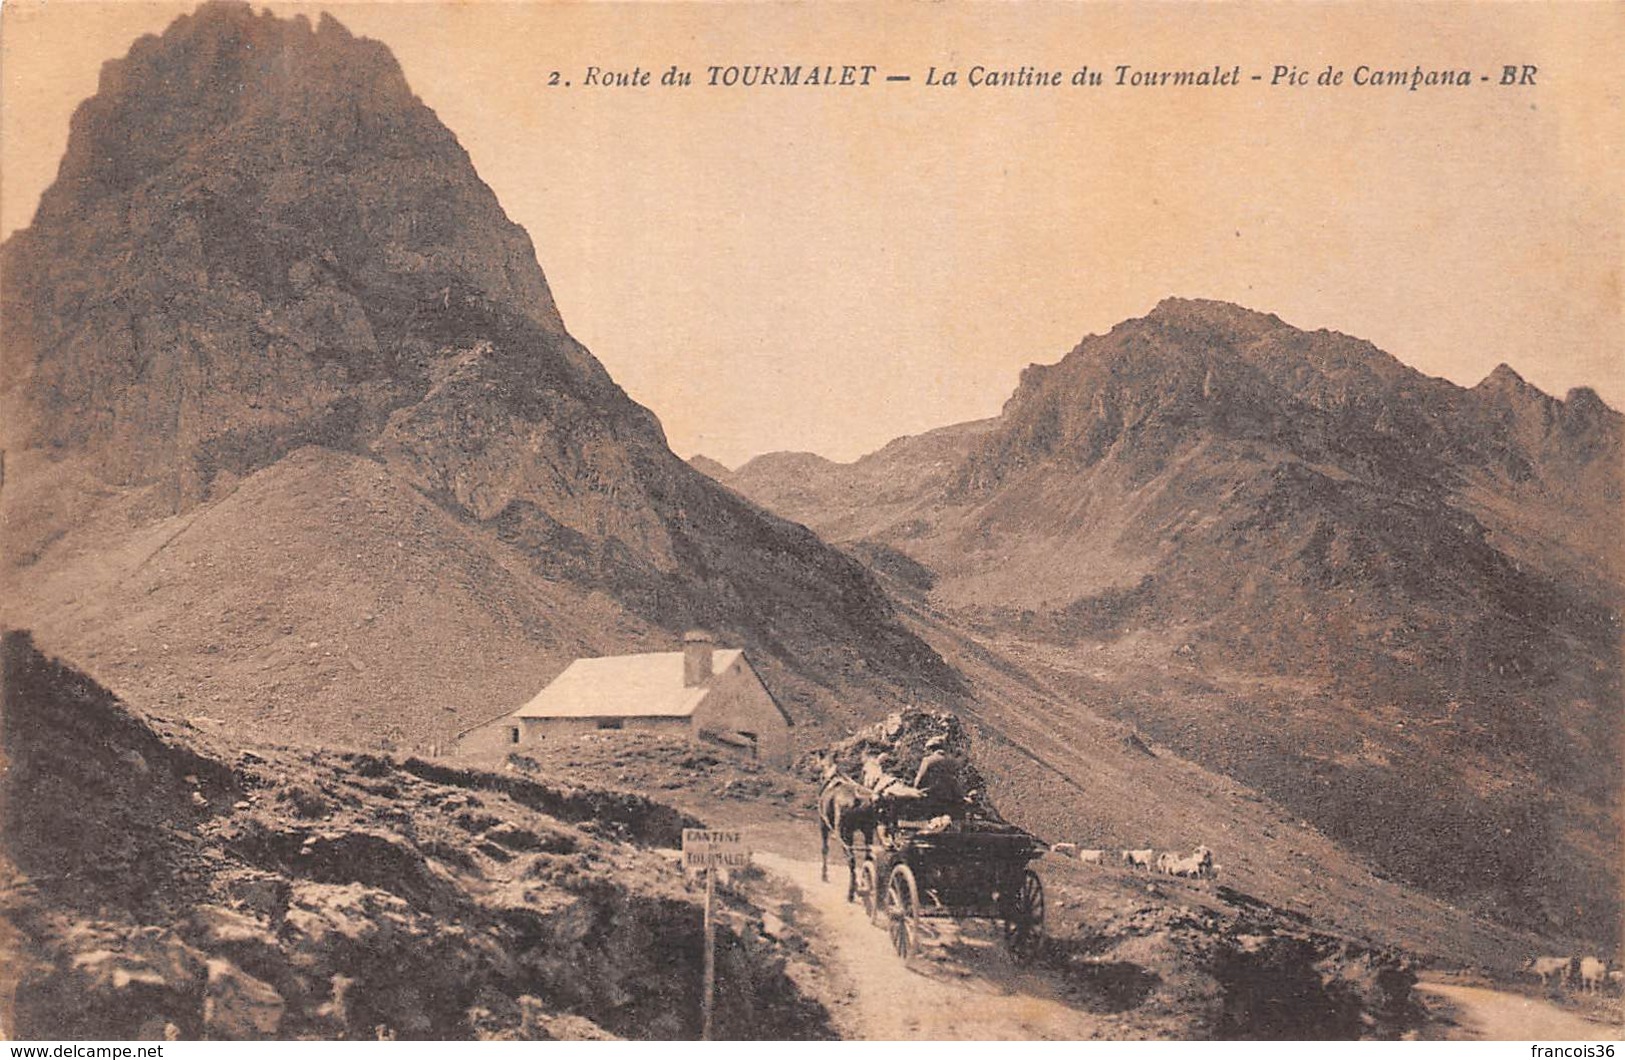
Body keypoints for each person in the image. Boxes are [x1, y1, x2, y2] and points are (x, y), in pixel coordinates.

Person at [914, 735, 968, 818]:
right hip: (950, 799)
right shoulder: (953, 762)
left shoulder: (928, 760)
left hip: (932, 798)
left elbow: (920, 780)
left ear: (931, 749)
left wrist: (915, 789)